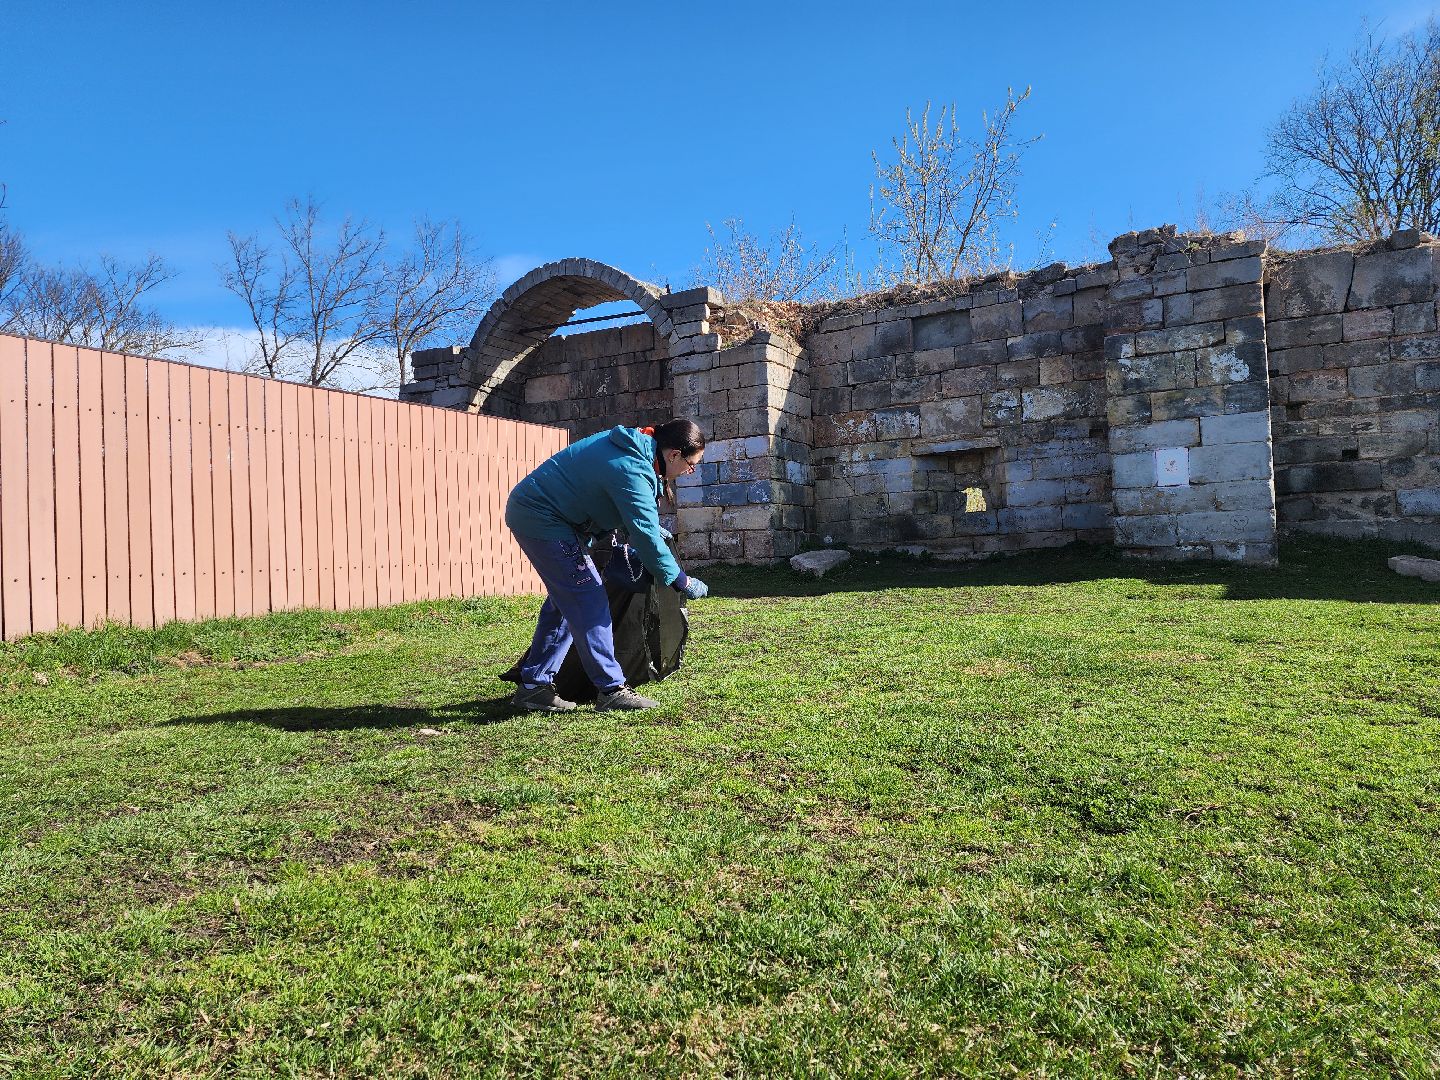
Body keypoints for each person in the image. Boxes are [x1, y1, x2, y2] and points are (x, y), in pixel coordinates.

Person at [504, 418, 710, 712]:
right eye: (691, 465)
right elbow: (646, 537)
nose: (689, 472)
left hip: (545, 515)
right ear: (673, 454)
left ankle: (534, 687)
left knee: (566, 602)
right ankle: (611, 690)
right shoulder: (633, 466)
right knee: (588, 599)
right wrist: (680, 580)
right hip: (542, 518)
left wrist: (644, 528)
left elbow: (620, 506)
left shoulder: (636, 450)